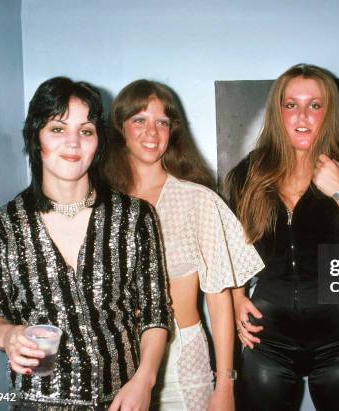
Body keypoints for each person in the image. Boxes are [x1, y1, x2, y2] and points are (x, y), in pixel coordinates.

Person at [0, 77, 172, 410]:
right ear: (36, 137)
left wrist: (144, 380)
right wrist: (8, 336)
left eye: (85, 131)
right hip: (37, 401)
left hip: (122, 400)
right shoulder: (2, 226)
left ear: (98, 142)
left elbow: (157, 313)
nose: (73, 143)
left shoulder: (135, 217)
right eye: (57, 129)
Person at [226, 63, 339, 411]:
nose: (302, 115)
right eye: (290, 104)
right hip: (266, 339)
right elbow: (230, 249)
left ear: (329, 111)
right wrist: (234, 297)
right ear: (278, 112)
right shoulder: (249, 174)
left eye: (314, 105)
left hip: (337, 342)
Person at [101, 79, 264, 411]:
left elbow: (219, 299)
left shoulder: (198, 200)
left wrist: (225, 384)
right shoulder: (100, 203)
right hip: (114, 358)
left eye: (162, 121)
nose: (152, 131)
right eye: (140, 120)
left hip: (181, 361)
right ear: (120, 127)